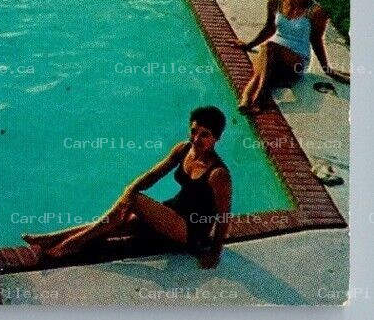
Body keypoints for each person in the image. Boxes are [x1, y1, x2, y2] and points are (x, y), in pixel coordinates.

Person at [23, 107, 233, 271]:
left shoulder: (218, 174)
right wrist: (129, 190)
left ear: (217, 138)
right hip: (171, 212)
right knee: (113, 224)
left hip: (190, 230)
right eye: (193, 131)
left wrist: (215, 253)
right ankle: (52, 238)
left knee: (134, 199)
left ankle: (69, 246)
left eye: (204, 135)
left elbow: (224, 216)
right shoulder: (183, 149)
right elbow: (153, 175)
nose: (196, 139)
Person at [236, 0, 349, 114]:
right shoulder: (275, 2)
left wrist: (327, 69)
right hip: (272, 52)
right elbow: (269, 28)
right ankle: (245, 100)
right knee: (263, 62)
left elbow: (316, 40)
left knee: (269, 48)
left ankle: (259, 98)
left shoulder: (316, 11)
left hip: (297, 59)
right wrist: (248, 45)